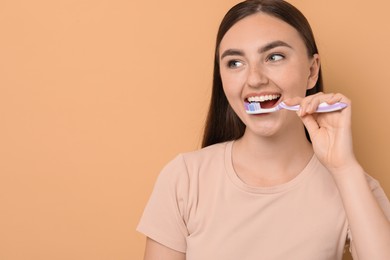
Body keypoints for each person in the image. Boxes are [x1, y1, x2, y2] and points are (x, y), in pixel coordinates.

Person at [137, 0, 390, 259]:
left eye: (274, 57)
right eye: (235, 63)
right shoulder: (185, 178)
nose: (255, 79)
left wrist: (344, 168)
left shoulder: (353, 185)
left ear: (312, 71)